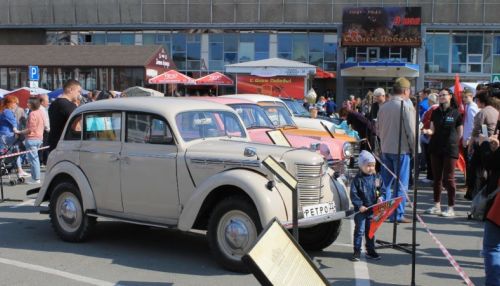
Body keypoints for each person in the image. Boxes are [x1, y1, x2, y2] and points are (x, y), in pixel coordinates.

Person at [377, 77, 416, 223]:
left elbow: (378, 130)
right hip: (401, 150)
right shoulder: (404, 106)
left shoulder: (384, 107)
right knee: (401, 184)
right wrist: (414, 149)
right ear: (406, 91)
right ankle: (397, 214)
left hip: (386, 148)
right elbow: (411, 131)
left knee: (385, 184)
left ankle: (383, 212)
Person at [422, 89, 463, 217]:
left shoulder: (456, 113)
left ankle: (451, 207)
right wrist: (426, 131)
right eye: (439, 96)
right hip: (435, 147)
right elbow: (432, 130)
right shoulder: (435, 112)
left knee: (449, 178)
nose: (441, 97)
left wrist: (454, 143)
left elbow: (460, 133)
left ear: (450, 96)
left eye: (444, 95)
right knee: (437, 178)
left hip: (450, 148)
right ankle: (437, 206)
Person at [466, 92, 499, 199]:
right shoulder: (495, 111)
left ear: (480, 101)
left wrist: (470, 144)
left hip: (484, 143)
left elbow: (476, 131)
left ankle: (472, 192)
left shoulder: (482, 113)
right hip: (494, 143)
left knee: (475, 169)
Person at [350, 150, 382, 261]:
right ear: (361, 165)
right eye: (368, 165)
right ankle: (357, 251)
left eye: (373, 165)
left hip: (372, 210)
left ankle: (370, 250)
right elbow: (353, 194)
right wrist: (359, 205)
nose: (371, 168)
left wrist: (380, 198)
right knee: (359, 231)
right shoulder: (357, 180)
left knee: (370, 231)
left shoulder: (376, 178)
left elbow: (379, 190)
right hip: (361, 211)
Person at [16, 98, 46, 184]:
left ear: (33, 104)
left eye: (28, 103)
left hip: (32, 138)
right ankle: (34, 177)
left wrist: (20, 132)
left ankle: (36, 178)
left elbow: (31, 129)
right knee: (34, 159)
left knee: (33, 160)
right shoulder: (41, 112)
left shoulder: (32, 113)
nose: (27, 104)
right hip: (39, 138)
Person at [0, 95, 30, 177]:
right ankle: (18, 170)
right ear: (10, 103)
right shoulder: (7, 112)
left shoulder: (3, 111)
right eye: (15, 103)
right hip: (8, 135)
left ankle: (19, 170)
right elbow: (14, 124)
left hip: (3, 135)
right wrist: (18, 132)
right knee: (16, 151)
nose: (16, 105)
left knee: (13, 152)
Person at [48, 79, 80, 153]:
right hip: (67, 145)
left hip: (54, 144)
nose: (79, 94)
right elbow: (77, 127)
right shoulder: (70, 106)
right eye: (78, 91)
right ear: (71, 90)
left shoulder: (53, 104)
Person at [420, 93, 439, 183]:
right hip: (432, 135)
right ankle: (431, 176)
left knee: (429, 157)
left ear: (431, 101)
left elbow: (426, 121)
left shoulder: (432, 109)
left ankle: (430, 176)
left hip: (428, 135)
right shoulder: (437, 108)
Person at [38, 94, 50, 166]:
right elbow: (45, 122)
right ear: (42, 102)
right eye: (47, 101)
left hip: (43, 130)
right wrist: (48, 129)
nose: (48, 103)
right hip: (44, 130)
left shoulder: (42, 109)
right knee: (44, 146)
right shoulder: (41, 109)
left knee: (43, 146)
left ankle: (43, 160)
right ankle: (43, 160)